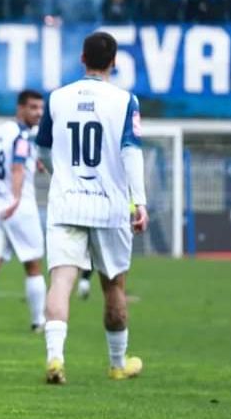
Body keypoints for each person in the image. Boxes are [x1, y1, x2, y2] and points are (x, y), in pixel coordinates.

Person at [35, 31, 149, 384]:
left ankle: (56, 360)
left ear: (82, 58)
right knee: (113, 286)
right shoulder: (125, 100)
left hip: (67, 203)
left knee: (61, 281)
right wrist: (139, 201)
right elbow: (131, 152)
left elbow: (42, 151)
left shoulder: (57, 98)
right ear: (114, 62)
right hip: (110, 205)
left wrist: (62, 173)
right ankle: (117, 364)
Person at [0, 90, 47, 334]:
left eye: (40, 108)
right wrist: (15, 198)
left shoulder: (4, 129)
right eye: (33, 108)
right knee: (33, 265)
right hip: (18, 205)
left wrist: (35, 161)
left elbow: (11, 157)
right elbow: (16, 167)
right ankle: (38, 322)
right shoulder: (23, 136)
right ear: (21, 108)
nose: (39, 113)